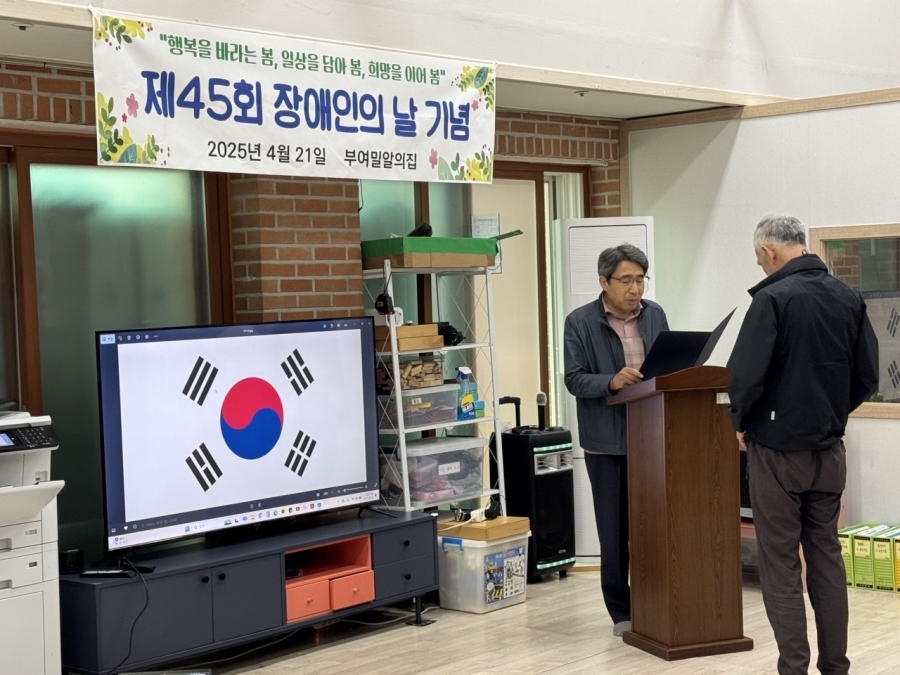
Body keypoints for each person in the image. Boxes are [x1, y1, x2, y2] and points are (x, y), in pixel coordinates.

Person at [727, 215, 878, 675]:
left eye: (759, 259)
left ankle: (793, 667)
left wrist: (740, 420)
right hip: (829, 450)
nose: (760, 266)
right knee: (826, 557)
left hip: (777, 451)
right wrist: (830, 415)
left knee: (780, 563)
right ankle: (836, 666)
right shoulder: (848, 297)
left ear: (769, 251)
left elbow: (744, 378)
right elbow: (868, 377)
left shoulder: (772, 298)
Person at [564, 244, 668, 637]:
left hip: (652, 436)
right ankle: (621, 611)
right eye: (626, 280)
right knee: (614, 531)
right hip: (606, 442)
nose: (635, 288)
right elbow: (574, 379)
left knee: (652, 526)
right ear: (604, 282)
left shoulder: (655, 314)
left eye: (640, 279)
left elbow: (669, 364)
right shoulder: (579, 321)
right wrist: (611, 380)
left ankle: (655, 604)